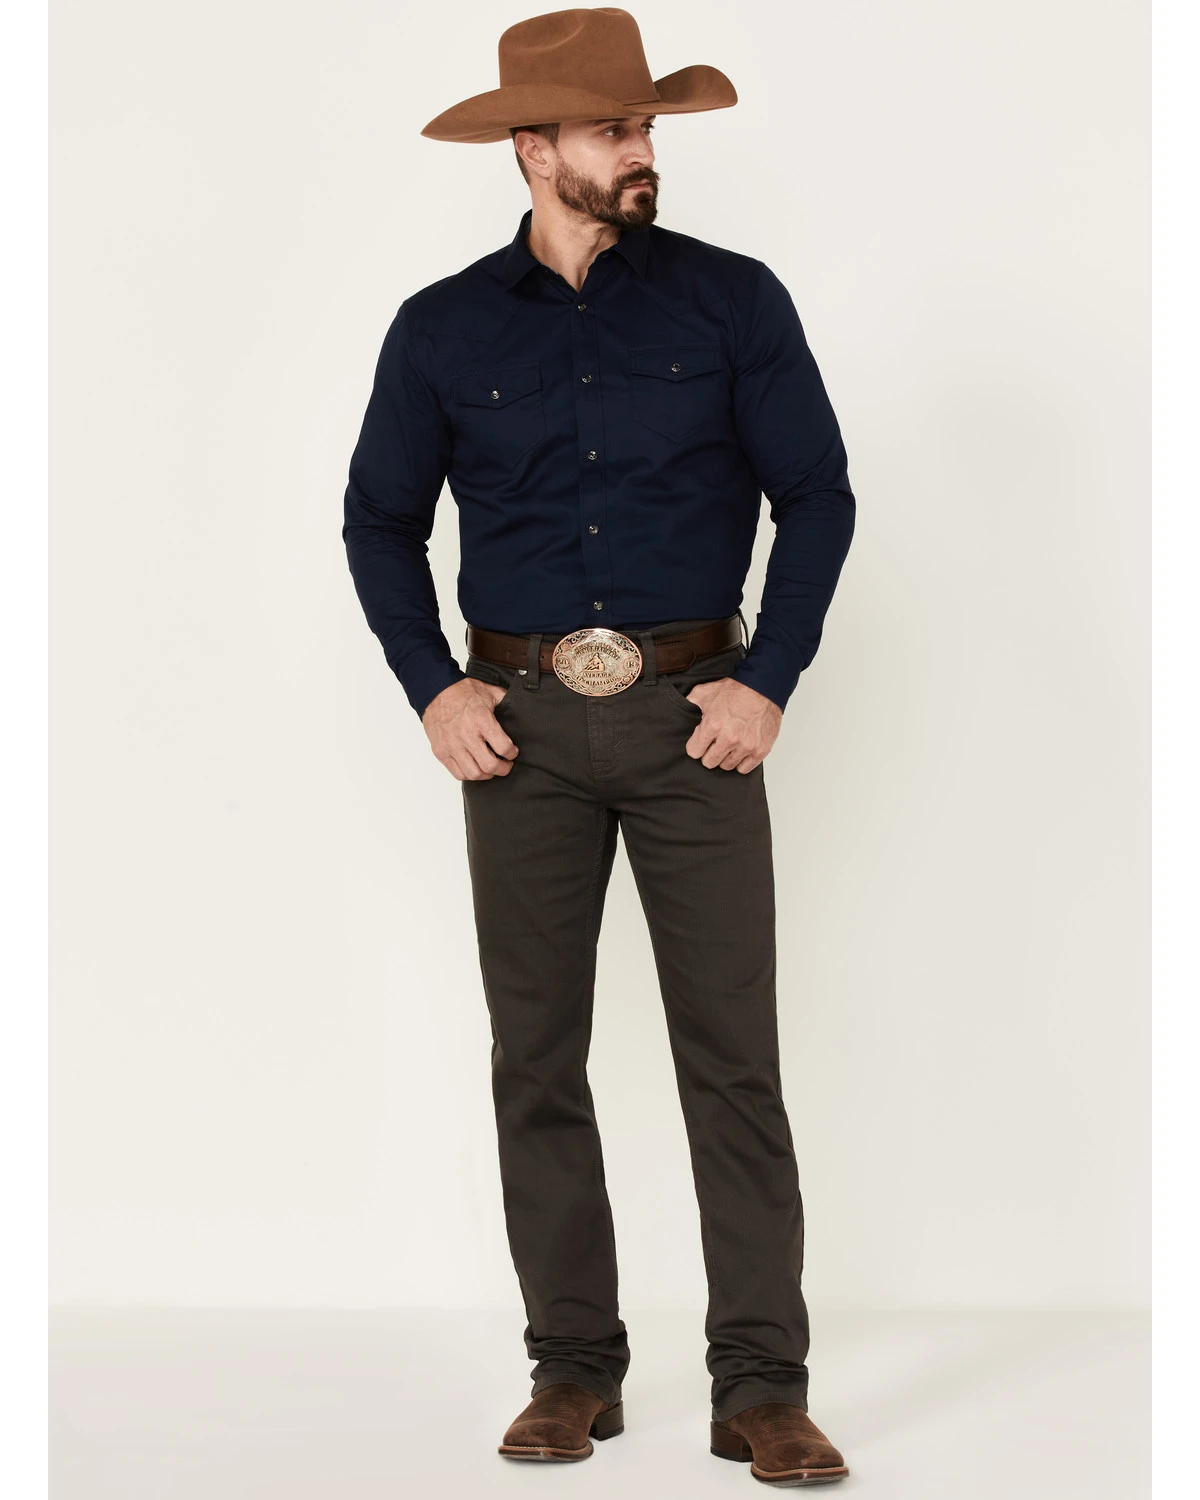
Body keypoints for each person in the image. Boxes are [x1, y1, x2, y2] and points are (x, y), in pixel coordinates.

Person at [342, 7, 855, 1484]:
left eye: (646, 128)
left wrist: (768, 681)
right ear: (532, 149)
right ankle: (573, 1369)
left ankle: (762, 1387)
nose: (641, 153)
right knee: (538, 1059)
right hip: (518, 734)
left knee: (733, 1060)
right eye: (613, 130)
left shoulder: (733, 301)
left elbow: (818, 497)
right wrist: (434, 689)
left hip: (698, 725)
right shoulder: (441, 328)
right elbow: (379, 520)